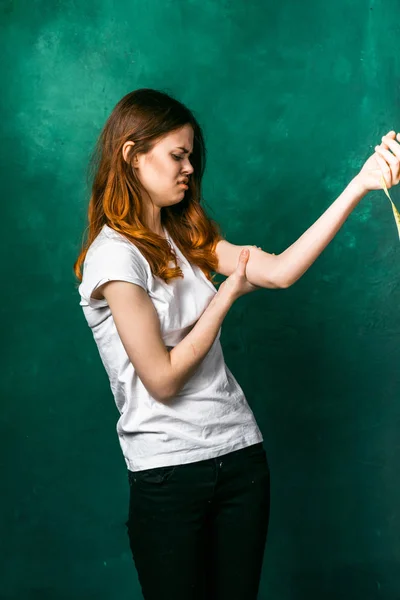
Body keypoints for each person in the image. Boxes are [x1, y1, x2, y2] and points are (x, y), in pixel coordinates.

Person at [74, 88, 400, 600]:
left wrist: (360, 183)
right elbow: (161, 379)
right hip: (168, 476)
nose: (188, 168)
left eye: (191, 157)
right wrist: (224, 298)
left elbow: (282, 271)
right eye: (177, 155)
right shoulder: (113, 258)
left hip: (241, 460)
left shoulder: (186, 235)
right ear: (133, 156)